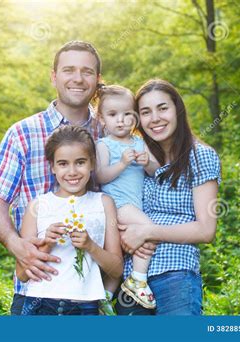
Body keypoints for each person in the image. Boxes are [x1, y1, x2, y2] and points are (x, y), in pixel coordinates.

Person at [0, 41, 103, 315]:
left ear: (97, 80)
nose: (78, 78)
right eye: (69, 70)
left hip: (93, 297)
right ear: (54, 76)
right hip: (35, 291)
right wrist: (17, 245)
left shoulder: (109, 135)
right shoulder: (22, 133)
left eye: (87, 71)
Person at [115, 79, 221, 315]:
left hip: (176, 275)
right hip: (132, 281)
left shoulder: (200, 156)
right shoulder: (136, 158)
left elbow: (206, 230)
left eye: (163, 108)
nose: (155, 118)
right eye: (146, 112)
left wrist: (147, 231)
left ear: (177, 109)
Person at [17, 125, 123, 315]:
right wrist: (47, 244)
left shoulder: (103, 203)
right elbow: (22, 274)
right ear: (53, 166)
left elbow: (116, 269)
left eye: (80, 162)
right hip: (40, 304)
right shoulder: (38, 206)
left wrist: (91, 246)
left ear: (92, 163)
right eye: (63, 163)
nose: (72, 171)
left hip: (85, 305)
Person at [94, 85, 160, 310]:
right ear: (101, 118)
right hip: (117, 205)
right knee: (149, 229)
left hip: (134, 205)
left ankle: (104, 298)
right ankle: (139, 279)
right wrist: (122, 163)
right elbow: (101, 175)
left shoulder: (140, 143)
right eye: (113, 115)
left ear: (135, 117)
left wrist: (147, 163)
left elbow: (155, 170)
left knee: (118, 261)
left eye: (127, 115)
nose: (120, 121)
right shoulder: (103, 145)